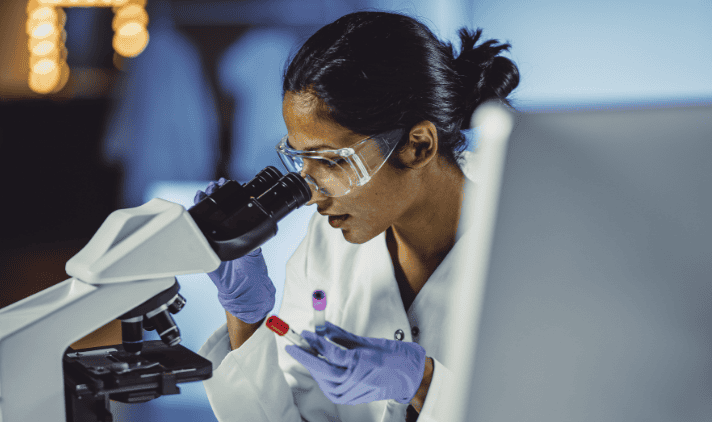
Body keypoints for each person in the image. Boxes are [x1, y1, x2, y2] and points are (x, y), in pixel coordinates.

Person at [195, 11, 519, 422]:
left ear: (418, 146)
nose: (311, 194)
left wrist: (424, 382)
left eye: (331, 161)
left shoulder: (527, 240)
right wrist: (248, 320)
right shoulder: (327, 243)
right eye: (301, 159)